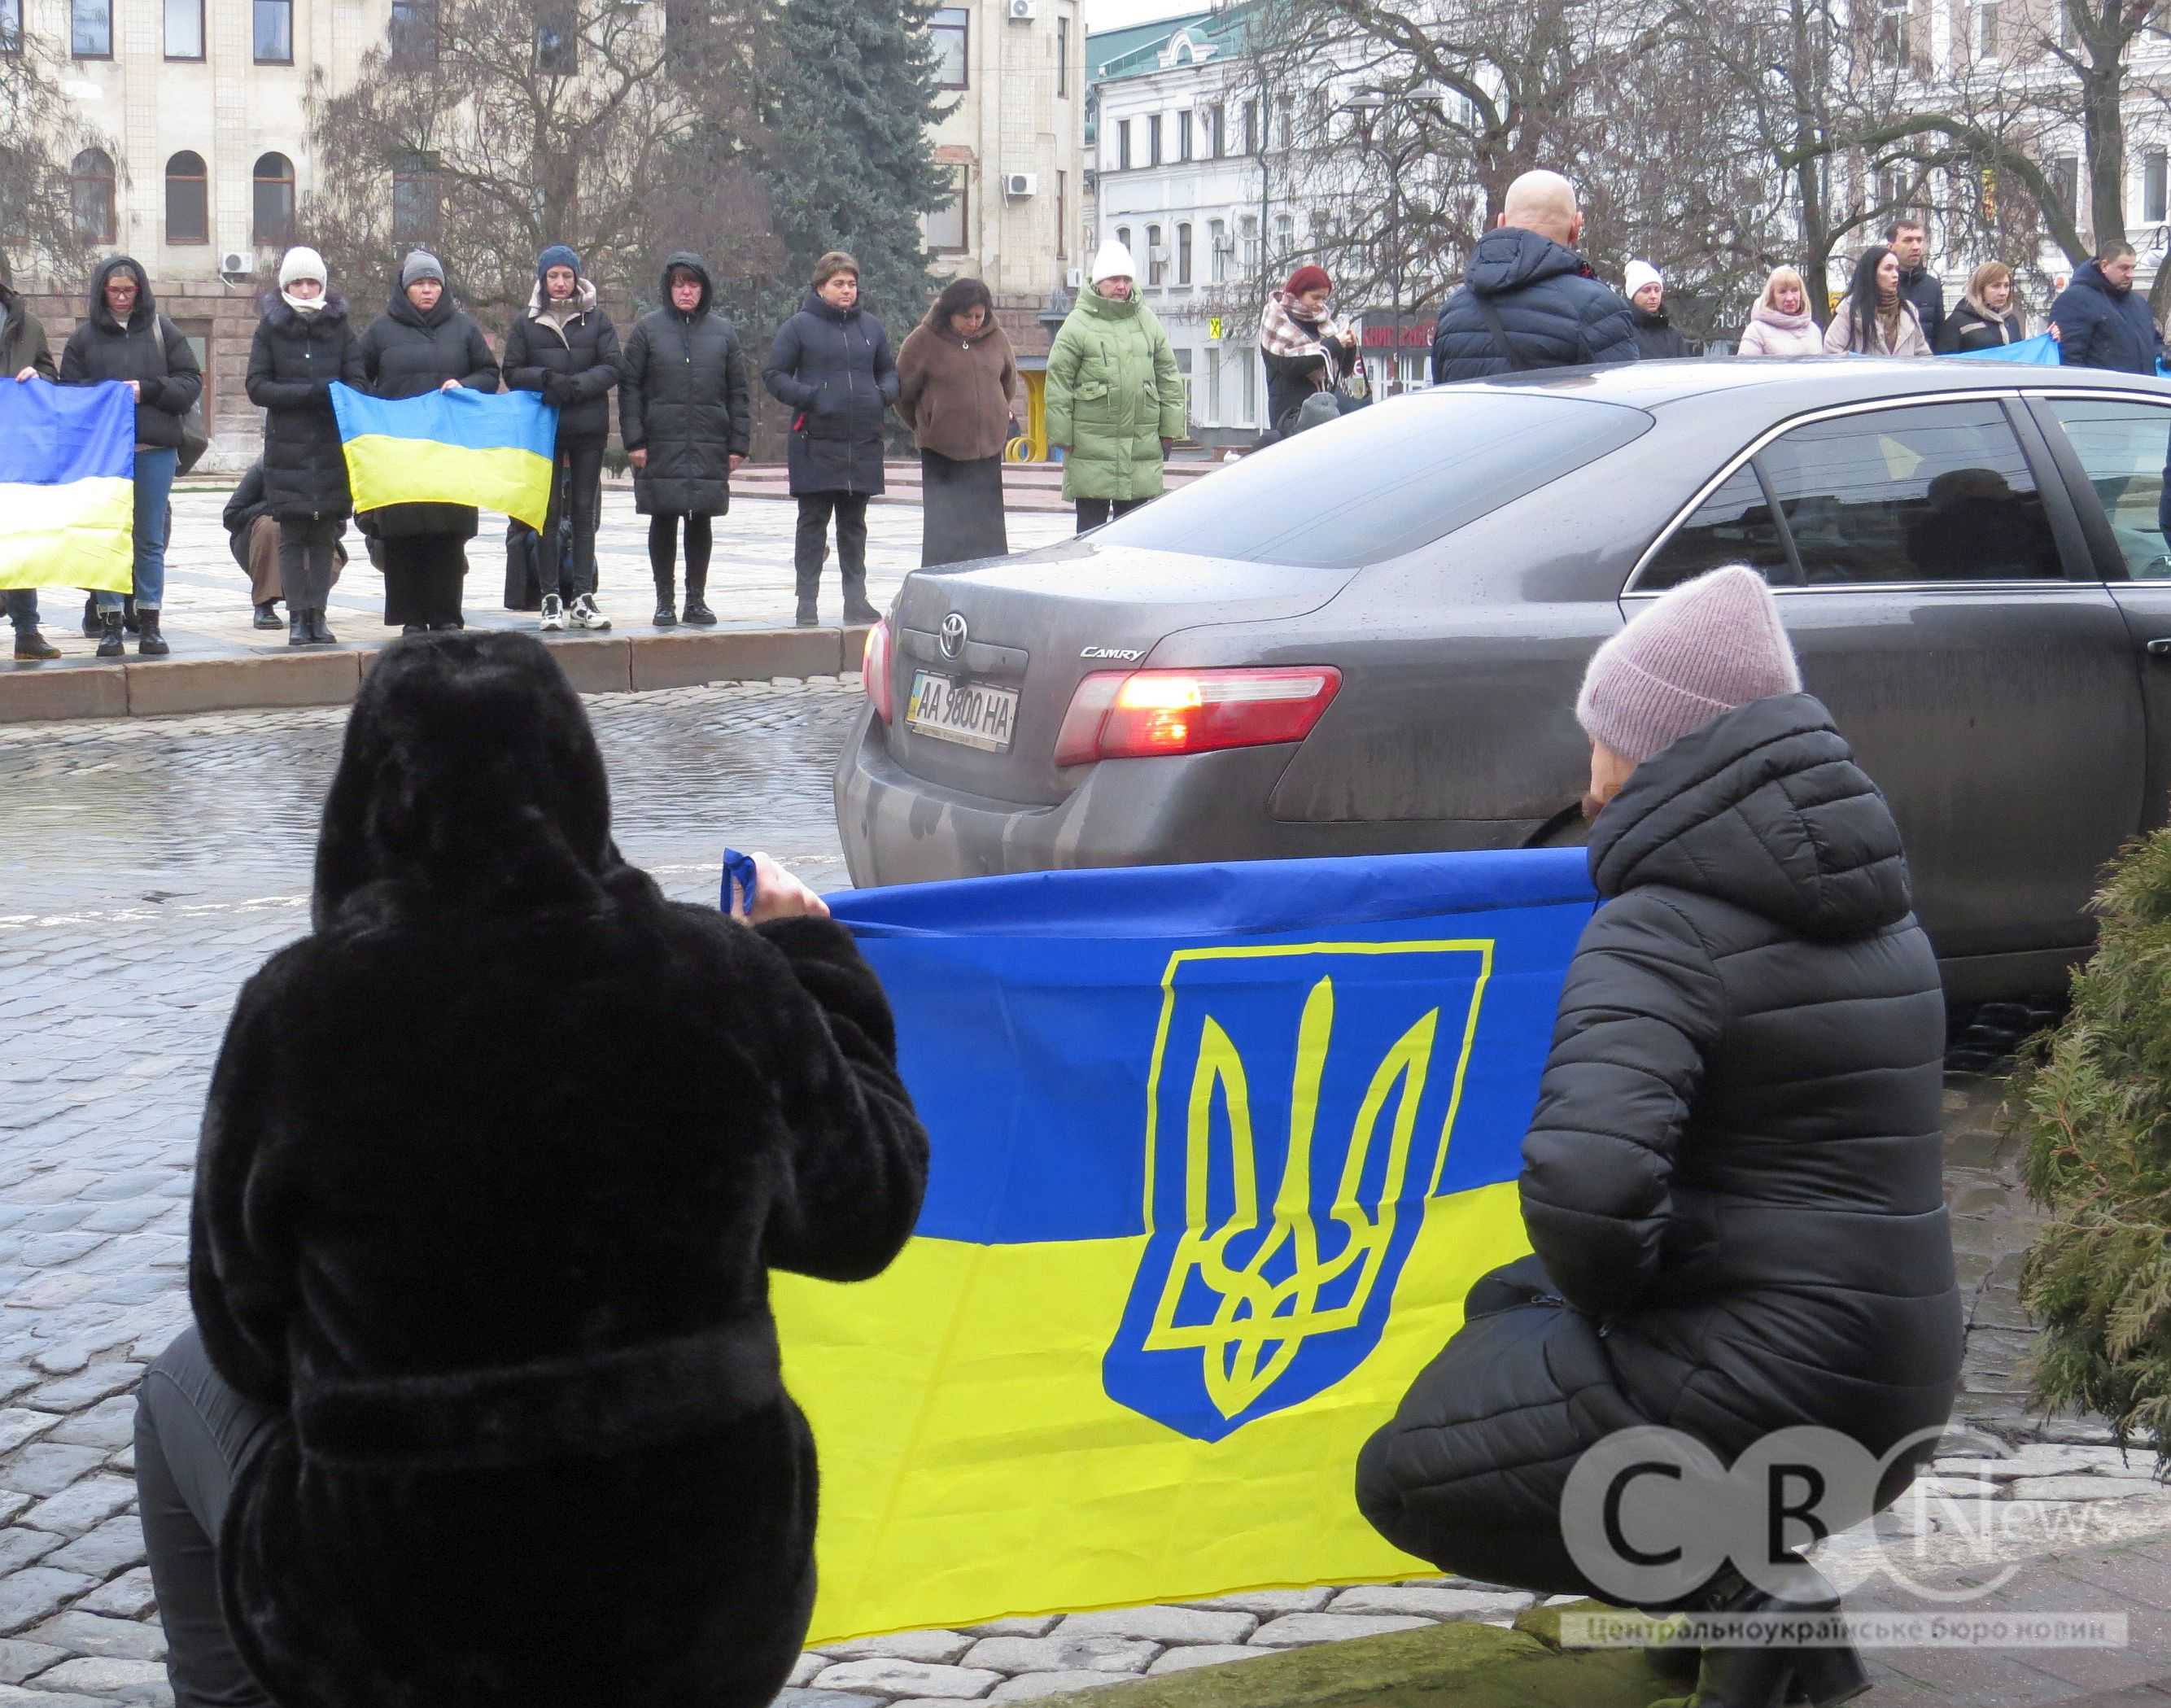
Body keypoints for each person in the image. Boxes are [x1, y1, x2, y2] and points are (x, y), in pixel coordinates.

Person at [133, 629, 928, 1708]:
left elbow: (240, 1329)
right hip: (706, 1609)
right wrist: (817, 967)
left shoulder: (297, 1011)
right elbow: (865, 1213)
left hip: (394, 1628)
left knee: (173, 1389)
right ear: (580, 780)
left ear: (363, 806)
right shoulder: (717, 976)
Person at [1355, 565, 1959, 1708]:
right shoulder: (1885, 916)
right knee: (1505, 1304)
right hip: (1899, 1380)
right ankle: (1752, 1599)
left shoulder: (1661, 923)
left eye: (1601, 738)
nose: (1588, 776)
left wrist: (1615, 1300)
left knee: (1405, 1472)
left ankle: (1746, 1580)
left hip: (1765, 1386)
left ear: (1653, 750)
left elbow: (1588, 1184)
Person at [60, 256, 202, 659]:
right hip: (105, 454)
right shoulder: (84, 338)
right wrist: (105, 394)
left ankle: (149, 621)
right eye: (114, 290)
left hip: (154, 449)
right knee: (107, 536)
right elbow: (71, 394)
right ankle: (110, 623)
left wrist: (148, 389)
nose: (122, 298)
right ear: (101, 291)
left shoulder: (163, 330)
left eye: (129, 290)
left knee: (149, 539)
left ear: (140, 291)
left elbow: (190, 382)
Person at [355, 251, 500, 633]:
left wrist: (464, 385)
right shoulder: (381, 330)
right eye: (419, 283)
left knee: (448, 534)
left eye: (434, 283)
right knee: (403, 535)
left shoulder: (463, 328)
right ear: (405, 289)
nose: (427, 290)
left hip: (450, 449)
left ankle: (447, 615)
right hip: (400, 450)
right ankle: (412, 618)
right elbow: (356, 378)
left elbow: (489, 373)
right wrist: (378, 409)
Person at [762, 252, 897, 627]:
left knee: (854, 528)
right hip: (815, 441)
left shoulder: (871, 328)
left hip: (861, 443)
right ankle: (806, 602)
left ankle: (856, 600)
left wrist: (881, 395)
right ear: (821, 287)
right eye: (839, 283)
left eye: (852, 283)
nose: (847, 290)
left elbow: (889, 372)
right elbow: (774, 375)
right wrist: (811, 397)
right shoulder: (799, 327)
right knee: (812, 525)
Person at [621, 252, 750, 628]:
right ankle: (665, 601)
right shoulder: (647, 331)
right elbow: (630, 390)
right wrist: (634, 440)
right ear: (669, 288)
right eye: (679, 284)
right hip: (660, 442)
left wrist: (738, 444)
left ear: (703, 288)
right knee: (663, 519)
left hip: (709, 442)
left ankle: (696, 600)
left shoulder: (723, 333)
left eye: (692, 284)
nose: (686, 291)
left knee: (700, 520)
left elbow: (738, 393)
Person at [245, 246, 365, 649]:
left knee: (324, 536)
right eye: (298, 282)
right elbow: (257, 386)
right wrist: (307, 393)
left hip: (331, 449)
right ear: (286, 285)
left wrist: (333, 394)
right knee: (293, 536)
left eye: (312, 282)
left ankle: (319, 615)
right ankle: (298, 617)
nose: (306, 289)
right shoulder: (270, 329)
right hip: (288, 450)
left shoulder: (340, 327)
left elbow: (358, 381)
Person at [502, 243, 621, 633]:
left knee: (584, 514)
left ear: (576, 278)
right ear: (543, 279)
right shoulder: (526, 322)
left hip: (587, 428)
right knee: (547, 515)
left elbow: (613, 366)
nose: (560, 282)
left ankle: (583, 596)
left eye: (567, 275)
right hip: (545, 428)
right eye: (553, 275)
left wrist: (578, 386)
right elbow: (512, 370)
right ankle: (550, 595)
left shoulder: (597, 319)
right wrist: (546, 380)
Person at [1431, 171, 1640, 382]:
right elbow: (1623, 395)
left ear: (1501, 222)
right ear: (1576, 226)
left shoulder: (1452, 312)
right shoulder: (1598, 308)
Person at [1046, 239, 1185, 534]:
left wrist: (1170, 430)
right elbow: (1059, 382)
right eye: (1114, 279)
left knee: (1134, 531)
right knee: (1090, 531)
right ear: (1099, 282)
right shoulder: (1077, 324)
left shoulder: (1147, 322)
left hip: (1140, 445)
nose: (1122, 286)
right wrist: (1062, 435)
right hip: (1090, 447)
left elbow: (1168, 377)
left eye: (1126, 279)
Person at [894, 277, 1023, 568]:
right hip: (943, 453)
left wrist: (995, 415)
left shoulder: (997, 338)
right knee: (945, 531)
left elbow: (1008, 384)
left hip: (988, 451)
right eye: (967, 317)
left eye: (979, 316)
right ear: (949, 313)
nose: (974, 323)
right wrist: (927, 424)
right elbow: (902, 394)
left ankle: (988, 579)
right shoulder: (923, 341)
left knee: (987, 531)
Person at [2, 269, 60, 661]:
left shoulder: (29, 325)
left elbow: (52, 376)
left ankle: (27, 632)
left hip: (16, 449)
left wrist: (39, 377)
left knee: (19, 538)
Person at [225, 460, 346, 625]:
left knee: (323, 537)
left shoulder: (324, 470)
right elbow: (231, 516)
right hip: (262, 543)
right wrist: (276, 506)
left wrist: (314, 515)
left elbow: (339, 525)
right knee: (271, 526)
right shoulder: (264, 468)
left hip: (310, 542)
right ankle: (264, 603)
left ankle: (313, 608)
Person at [1258, 264, 1364, 440]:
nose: (1320, 304)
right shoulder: (1277, 321)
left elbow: (1343, 371)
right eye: (1315, 297)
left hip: (1327, 417)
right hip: (1292, 419)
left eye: (1324, 299)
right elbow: (1289, 364)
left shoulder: (1324, 324)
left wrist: (1349, 346)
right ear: (1298, 293)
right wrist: (1333, 344)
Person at [2048, 241, 2164, 374]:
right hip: (2101, 387)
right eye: (2124, 268)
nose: (2130, 274)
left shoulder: (2139, 303)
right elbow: (2068, 360)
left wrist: (2163, 353)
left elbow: (2153, 344)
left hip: (2142, 387)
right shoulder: (2075, 300)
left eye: (2133, 268)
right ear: (2104, 266)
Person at [1822, 246, 1931, 356]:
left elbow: (1923, 356)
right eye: (1888, 269)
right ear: (1872, 273)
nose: (1895, 275)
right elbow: (1832, 353)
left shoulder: (1908, 310)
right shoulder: (1850, 309)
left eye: (1897, 269)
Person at [1734, 265, 1823, 358]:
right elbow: (1746, 366)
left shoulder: (1814, 330)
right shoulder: (1756, 331)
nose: (1790, 298)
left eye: (1794, 290)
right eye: (1782, 292)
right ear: (1772, 297)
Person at [1938, 261, 2027, 353]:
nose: (2003, 293)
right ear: (1980, 289)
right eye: (1996, 286)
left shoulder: (2011, 320)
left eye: (2006, 286)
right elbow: (1945, 359)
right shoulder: (1958, 322)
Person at [1886, 218, 1945, 349]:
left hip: (1925, 360)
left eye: (1919, 240)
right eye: (1908, 240)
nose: (1916, 247)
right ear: (1891, 246)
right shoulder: (1876, 283)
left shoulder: (1932, 286)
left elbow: (1940, 335)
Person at [1623, 260, 1690, 360]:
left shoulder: (1673, 335)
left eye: (1657, 290)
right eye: (1646, 290)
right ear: (1633, 295)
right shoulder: (1623, 333)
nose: (1653, 296)